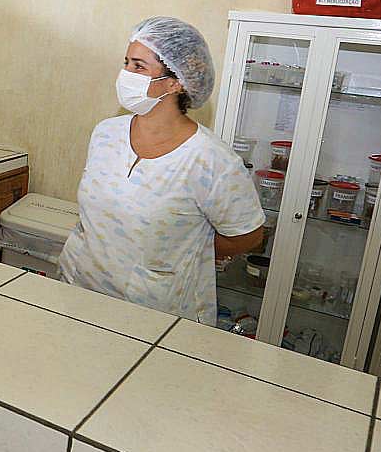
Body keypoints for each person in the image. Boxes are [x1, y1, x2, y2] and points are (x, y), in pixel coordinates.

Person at [60, 17, 264, 325]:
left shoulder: (211, 160)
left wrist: (185, 248)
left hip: (155, 312)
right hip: (79, 292)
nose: (125, 74)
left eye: (138, 67)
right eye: (126, 63)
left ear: (175, 82)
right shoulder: (106, 134)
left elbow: (247, 236)